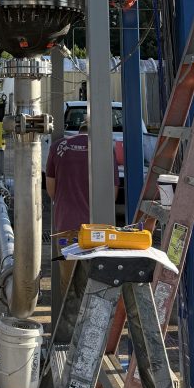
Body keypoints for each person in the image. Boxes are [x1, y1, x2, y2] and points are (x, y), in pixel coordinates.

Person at [45, 121, 119, 296]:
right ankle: (93, 321)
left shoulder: (58, 147)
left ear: (78, 131)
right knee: (97, 282)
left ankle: (70, 320)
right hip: (98, 230)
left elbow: (51, 190)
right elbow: (113, 192)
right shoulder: (106, 149)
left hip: (66, 226)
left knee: (68, 281)